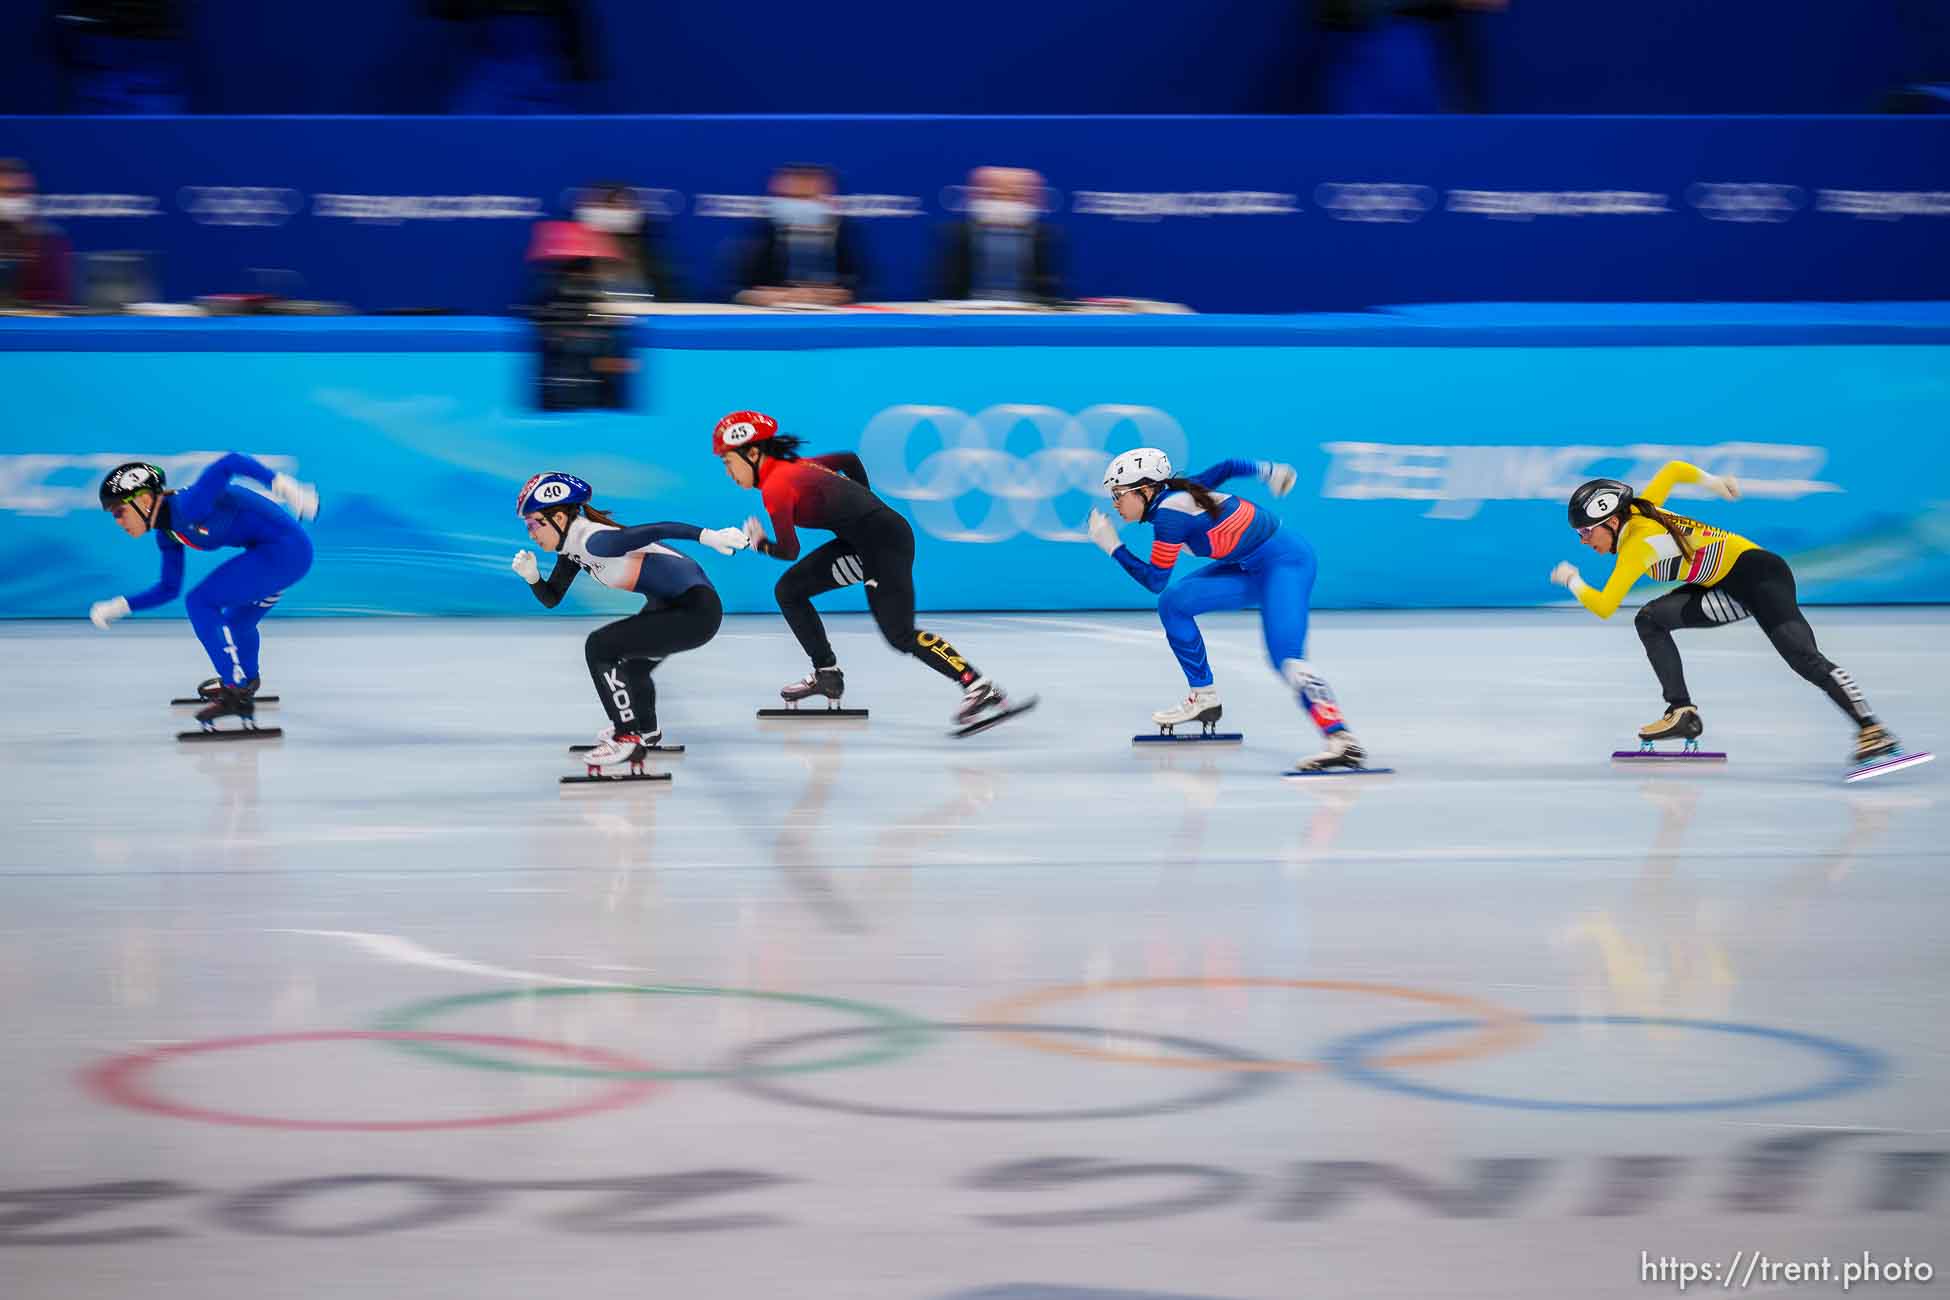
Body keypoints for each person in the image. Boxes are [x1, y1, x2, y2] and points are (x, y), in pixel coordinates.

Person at [1550, 463, 1902, 765]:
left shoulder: (1635, 546)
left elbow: (1605, 606)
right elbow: (1673, 469)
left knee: (1804, 659)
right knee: (1650, 619)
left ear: (1611, 521)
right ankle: (1682, 712)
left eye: (1585, 531)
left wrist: (1573, 580)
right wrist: (1714, 483)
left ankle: (1872, 728)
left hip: (1759, 575)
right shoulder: (1643, 508)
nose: (1583, 540)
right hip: (1725, 588)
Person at [709, 410, 1021, 731]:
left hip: (883, 546)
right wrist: (867, 505)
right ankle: (826, 674)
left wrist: (760, 543)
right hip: (865, 542)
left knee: (900, 634)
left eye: (728, 462)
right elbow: (849, 460)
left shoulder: (776, 486)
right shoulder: (797, 467)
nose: (728, 472)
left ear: (753, 453)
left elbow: (789, 551)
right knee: (789, 590)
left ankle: (976, 685)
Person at [1086, 448, 1373, 773]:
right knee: (1174, 603)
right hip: (1247, 566)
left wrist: (1113, 546)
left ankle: (1340, 739)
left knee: (1287, 658)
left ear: (1146, 489)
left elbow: (1155, 579)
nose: (1115, 503)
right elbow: (1228, 465)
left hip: (1286, 565)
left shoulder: (1170, 515)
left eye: (1119, 494)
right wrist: (1270, 470)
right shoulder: (1182, 489)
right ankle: (1204, 697)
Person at [512, 471, 747, 767]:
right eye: (527, 526)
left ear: (559, 518)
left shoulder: (593, 541)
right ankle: (645, 731)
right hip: (670, 605)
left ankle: (626, 738)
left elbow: (658, 528)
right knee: (633, 668)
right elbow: (552, 598)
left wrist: (709, 536)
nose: (531, 533)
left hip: (696, 609)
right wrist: (532, 577)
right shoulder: (571, 550)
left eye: (534, 523)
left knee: (600, 646)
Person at [88, 456, 319, 727]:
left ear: (144, 500)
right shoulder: (168, 534)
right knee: (234, 624)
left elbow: (229, 463)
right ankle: (246, 682)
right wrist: (120, 606)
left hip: (284, 551)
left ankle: (235, 691)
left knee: (200, 602)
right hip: (277, 555)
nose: (117, 521)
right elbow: (168, 589)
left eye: (118, 511)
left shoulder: (189, 505)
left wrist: (285, 487)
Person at [735, 165, 865, 307]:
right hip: (774, 317)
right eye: (794, 197)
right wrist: (752, 296)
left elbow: (865, 285)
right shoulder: (763, 230)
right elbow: (728, 288)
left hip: (828, 315)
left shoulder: (842, 230)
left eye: (808, 197)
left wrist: (844, 295)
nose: (801, 204)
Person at [937, 166, 1062, 304]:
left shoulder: (1044, 236)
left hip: (1027, 317)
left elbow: (1049, 292)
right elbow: (946, 291)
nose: (1005, 201)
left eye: (1015, 195)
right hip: (969, 317)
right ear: (977, 195)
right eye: (995, 194)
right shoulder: (958, 234)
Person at [0, 159, 73, 307]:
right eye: (7, 192)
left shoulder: (51, 240)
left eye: (21, 192)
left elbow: (58, 299)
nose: (14, 200)